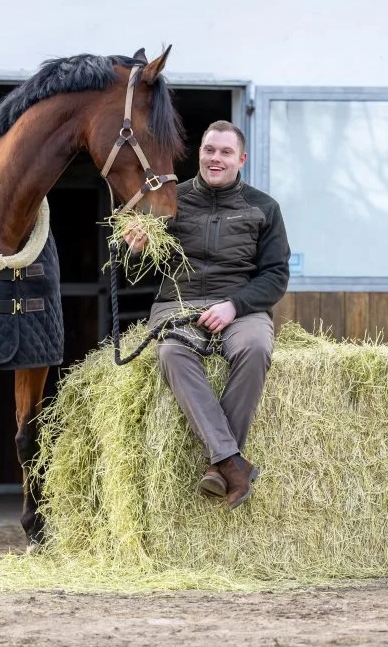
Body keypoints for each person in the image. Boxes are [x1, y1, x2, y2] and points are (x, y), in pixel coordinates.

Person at [124, 120, 290, 511]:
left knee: (254, 348)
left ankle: (220, 465)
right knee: (171, 354)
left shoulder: (264, 207)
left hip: (239, 305)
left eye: (226, 152)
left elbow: (276, 275)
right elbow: (132, 274)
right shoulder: (167, 201)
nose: (216, 158)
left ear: (241, 159)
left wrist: (235, 305)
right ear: (199, 153)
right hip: (178, 304)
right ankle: (231, 462)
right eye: (209, 150)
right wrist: (134, 247)